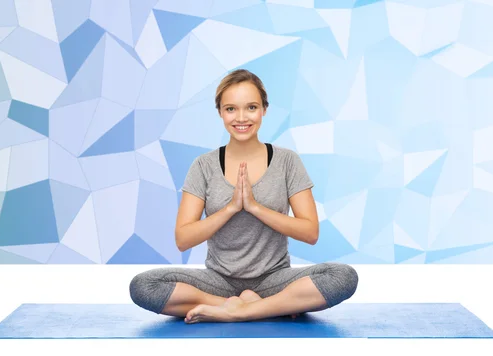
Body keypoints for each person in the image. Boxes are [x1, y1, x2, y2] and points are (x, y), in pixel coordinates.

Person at [129, 69, 358, 324]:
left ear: (264, 110)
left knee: (342, 277)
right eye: (230, 109)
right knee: (144, 286)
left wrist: (255, 207)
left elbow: (310, 232)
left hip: (274, 279)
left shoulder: (287, 161)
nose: (241, 118)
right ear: (220, 113)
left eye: (251, 107)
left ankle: (239, 311)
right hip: (217, 281)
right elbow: (183, 239)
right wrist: (231, 208)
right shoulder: (203, 166)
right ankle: (255, 307)